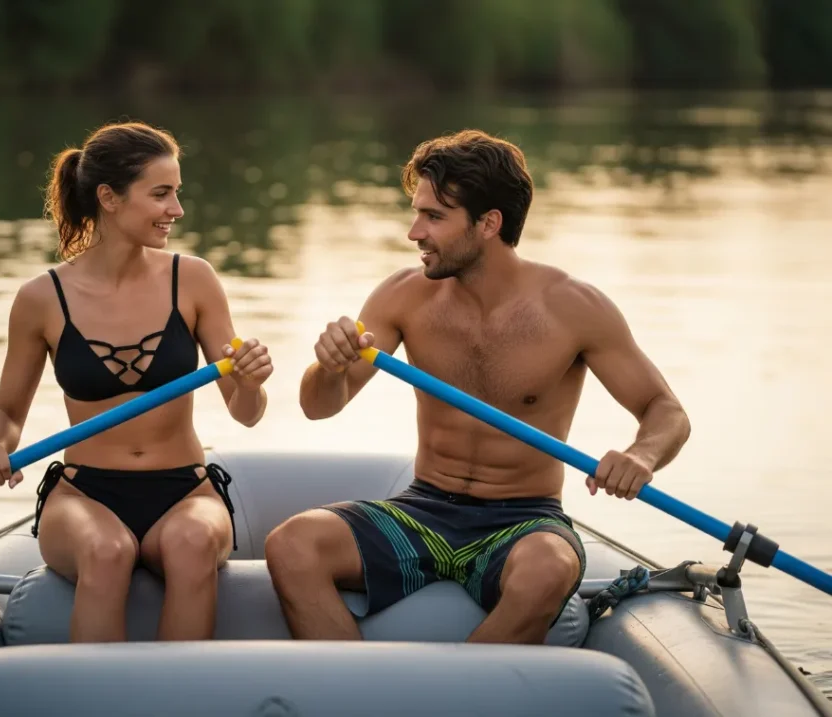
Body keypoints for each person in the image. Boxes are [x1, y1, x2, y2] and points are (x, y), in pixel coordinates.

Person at [265, 129, 691, 644]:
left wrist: (641, 456)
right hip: (422, 510)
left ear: (489, 223)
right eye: (417, 212)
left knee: (547, 570)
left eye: (434, 217)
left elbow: (665, 410)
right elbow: (317, 407)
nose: (413, 232)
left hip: (524, 519)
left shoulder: (572, 307)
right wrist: (329, 367)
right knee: (293, 544)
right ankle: (357, 692)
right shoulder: (404, 296)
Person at [0, 120, 273, 643]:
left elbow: (247, 412)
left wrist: (248, 381)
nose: (176, 209)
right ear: (108, 197)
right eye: (161, 194)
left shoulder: (193, 279)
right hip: (85, 494)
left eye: (176, 192)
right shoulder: (42, 298)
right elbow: (7, 413)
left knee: (193, 544)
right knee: (108, 552)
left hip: (185, 488)